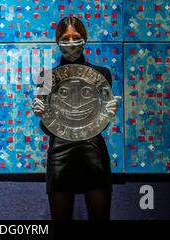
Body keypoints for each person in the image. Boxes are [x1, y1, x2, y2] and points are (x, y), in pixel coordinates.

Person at [32, 16, 120, 220]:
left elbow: (98, 124)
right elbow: (47, 129)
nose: (71, 43)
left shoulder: (101, 73)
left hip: (93, 151)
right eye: (66, 38)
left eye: (76, 37)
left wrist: (108, 114)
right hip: (60, 153)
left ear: (85, 39)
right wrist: (42, 115)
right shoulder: (46, 76)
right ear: (57, 41)